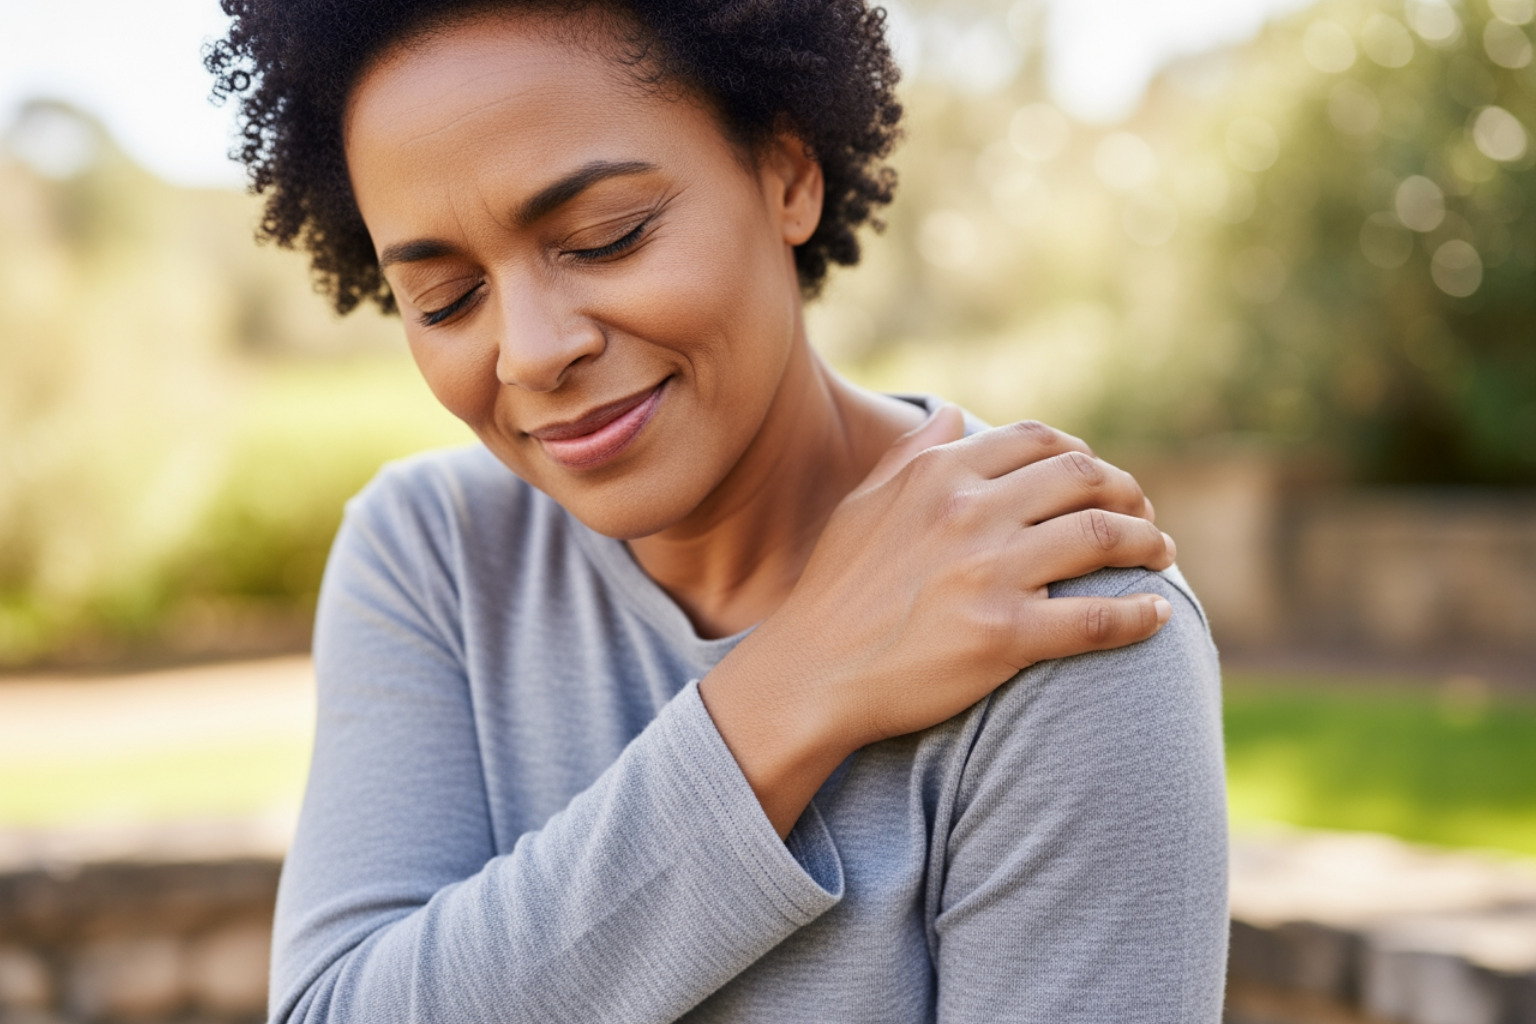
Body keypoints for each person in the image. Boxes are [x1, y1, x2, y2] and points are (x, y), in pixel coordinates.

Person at [207, 2, 1228, 1021]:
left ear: (786, 174)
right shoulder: (434, 555)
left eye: (606, 238)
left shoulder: (1049, 606)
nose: (529, 349)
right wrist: (792, 685)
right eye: (444, 299)